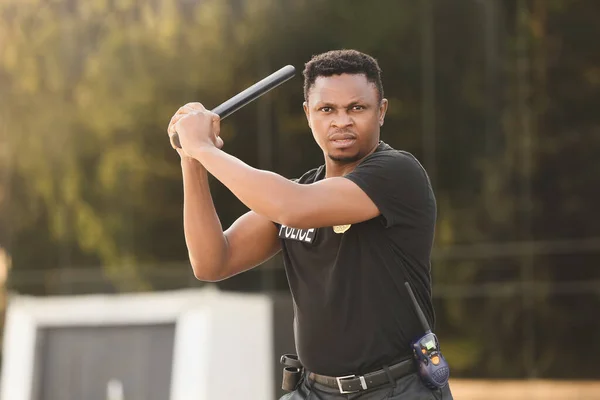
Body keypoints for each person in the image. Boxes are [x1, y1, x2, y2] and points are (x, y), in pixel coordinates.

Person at [167, 49, 453, 400]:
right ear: (308, 114)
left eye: (357, 108)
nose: (341, 121)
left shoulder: (398, 174)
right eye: (327, 109)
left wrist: (205, 148)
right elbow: (212, 262)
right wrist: (191, 159)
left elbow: (290, 206)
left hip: (394, 389)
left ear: (381, 111)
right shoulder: (302, 190)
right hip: (313, 390)